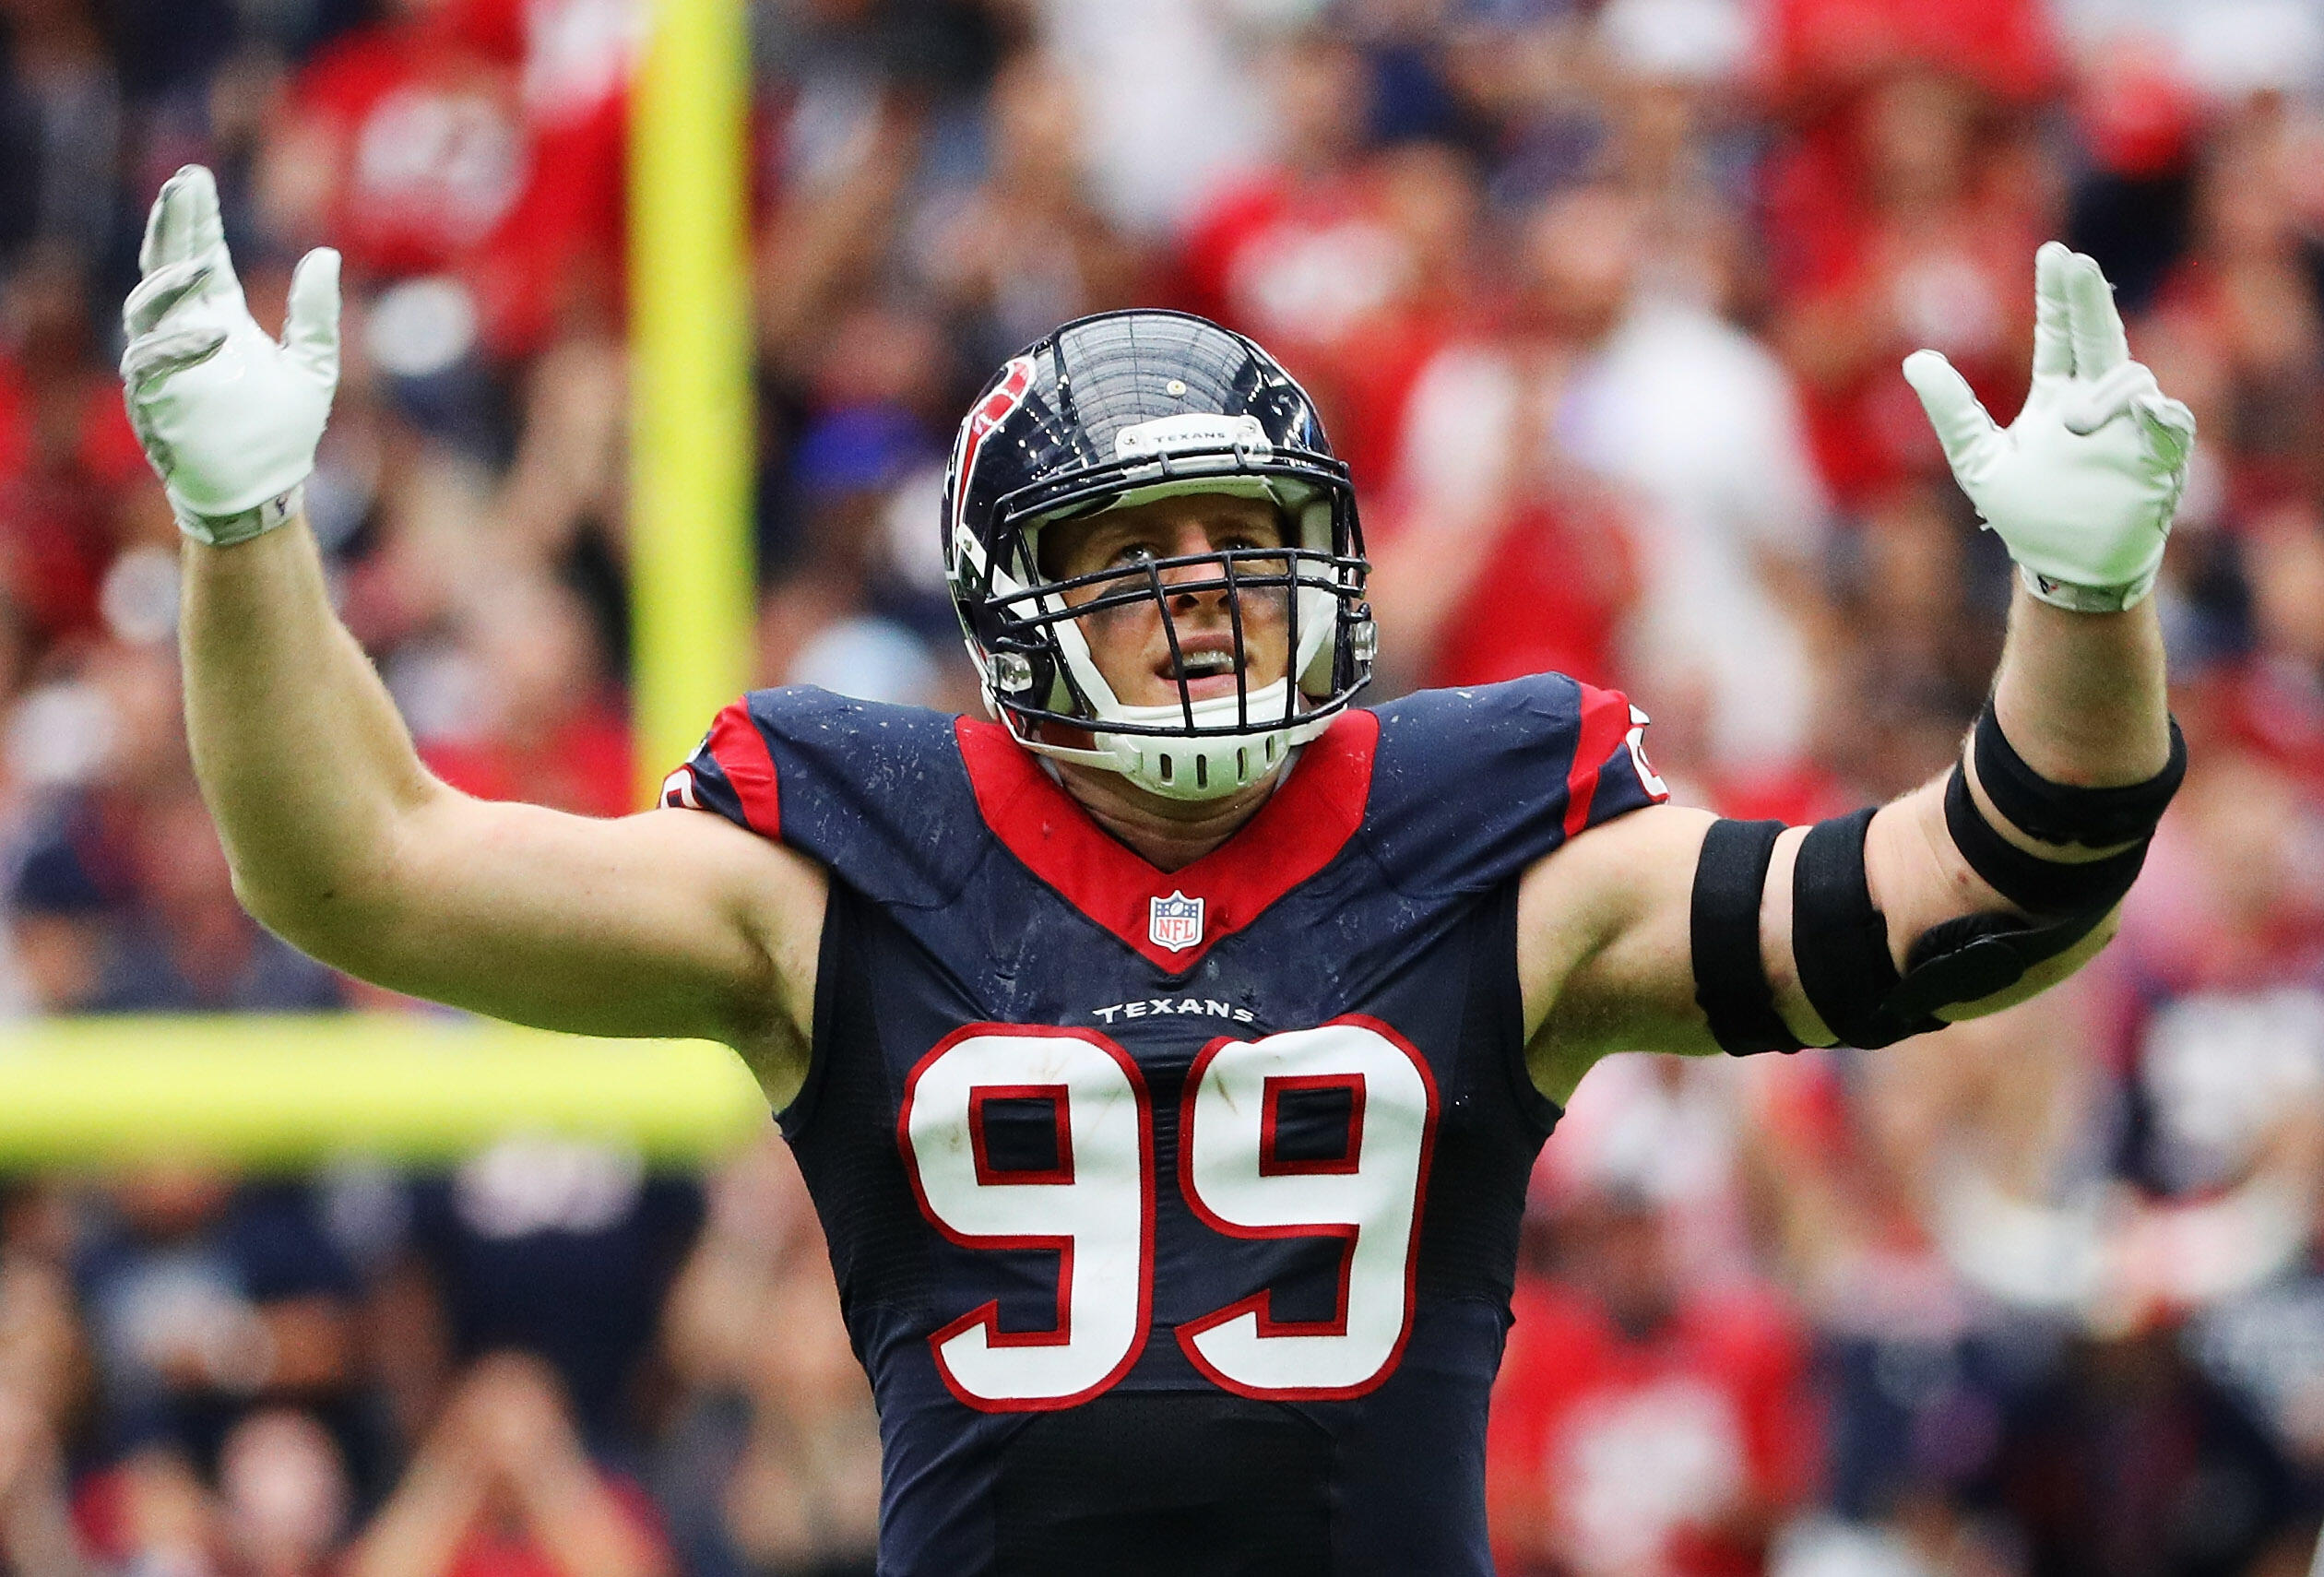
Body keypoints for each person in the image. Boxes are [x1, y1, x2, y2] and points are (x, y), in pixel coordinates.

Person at [119, 163, 2194, 1575]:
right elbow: (367, 875)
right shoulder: (840, 855)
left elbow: (1974, 908)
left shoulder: (1495, 831)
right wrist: (242, 540)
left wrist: (2086, 607)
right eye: (1129, 561)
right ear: (1010, 612)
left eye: (1237, 540)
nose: (1204, 600)